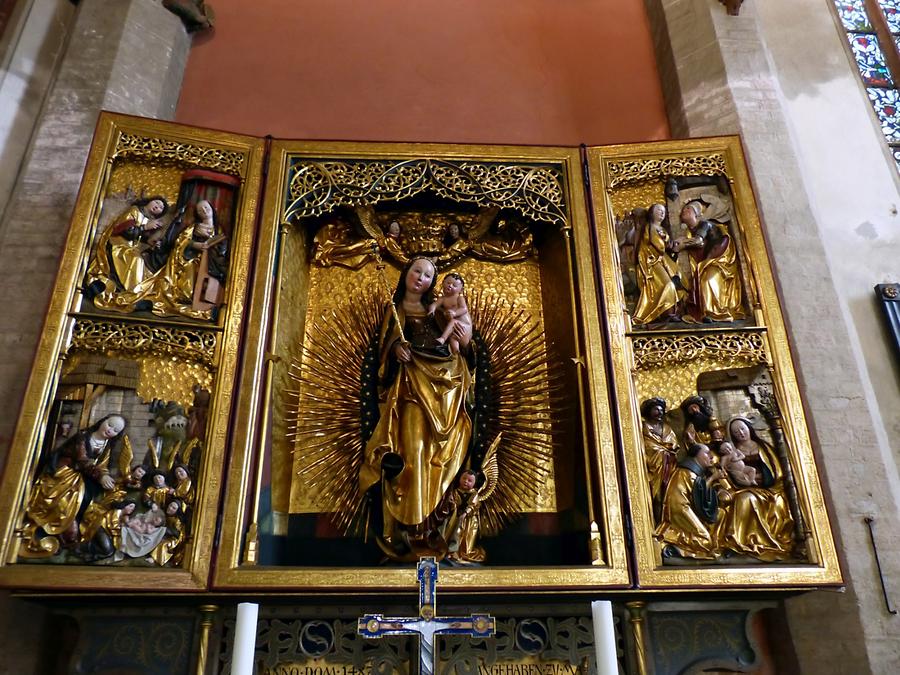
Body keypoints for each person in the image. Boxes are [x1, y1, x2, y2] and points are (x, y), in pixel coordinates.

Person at [358, 257, 475, 560]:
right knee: (414, 452)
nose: (421, 278)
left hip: (446, 385)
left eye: (427, 275)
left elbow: (462, 342)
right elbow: (381, 354)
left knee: (443, 451)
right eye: (417, 271)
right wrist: (395, 349)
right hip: (411, 388)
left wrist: (464, 342)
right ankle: (410, 530)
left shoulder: (437, 310)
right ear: (406, 274)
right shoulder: (394, 312)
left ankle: (438, 530)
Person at [25, 415, 127, 549]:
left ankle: (83, 529)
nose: (110, 430)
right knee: (69, 497)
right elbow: (82, 460)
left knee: (96, 495)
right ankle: (55, 530)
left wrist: (105, 476)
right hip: (65, 471)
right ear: (103, 421)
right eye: (110, 424)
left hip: (85, 474)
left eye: (115, 430)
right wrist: (100, 476)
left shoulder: (106, 445)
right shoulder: (83, 437)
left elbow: (102, 465)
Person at [715, 416, 794, 561]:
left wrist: (763, 478)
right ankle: (736, 543)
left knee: (771, 501)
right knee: (744, 499)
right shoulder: (732, 451)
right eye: (736, 432)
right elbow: (726, 472)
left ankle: (762, 542)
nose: (741, 433)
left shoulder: (763, 447)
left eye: (742, 429)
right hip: (742, 488)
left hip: (770, 488)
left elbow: (777, 470)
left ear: (748, 429)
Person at [86, 197, 169, 313]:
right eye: (157, 202)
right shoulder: (134, 211)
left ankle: (138, 295)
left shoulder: (145, 218)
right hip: (117, 245)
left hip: (129, 248)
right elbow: (126, 231)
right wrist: (145, 227)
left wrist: (152, 242)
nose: (158, 207)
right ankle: (132, 295)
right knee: (137, 260)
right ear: (148, 201)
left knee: (147, 271)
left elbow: (139, 236)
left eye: (161, 208)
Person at [152, 199, 228, 320]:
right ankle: (186, 297)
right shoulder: (195, 227)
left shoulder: (218, 229)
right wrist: (196, 245)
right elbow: (181, 241)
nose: (204, 211)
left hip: (212, 260)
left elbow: (223, 246)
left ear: (213, 209)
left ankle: (207, 302)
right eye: (200, 210)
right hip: (193, 257)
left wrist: (215, 246)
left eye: (206, 208)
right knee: (191, 266)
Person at [672, 202, 743, 323]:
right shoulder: (690, 232)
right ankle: (706, 312)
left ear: (697, 214)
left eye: (688, 209)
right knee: (700, 280)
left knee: (707, 280)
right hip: (708, 261)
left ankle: (716, 312)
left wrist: (682, 245)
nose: (684, 211)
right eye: (683, 210)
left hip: (719, 258)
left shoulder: (705, 224)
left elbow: (699, 241)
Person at [655, 443, 722, 560]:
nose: (710, 456)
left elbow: (699, 494)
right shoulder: (687, 473)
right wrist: (713, 478)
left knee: (720, 517)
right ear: (695, 455)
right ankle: (669, 540)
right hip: (680, 509)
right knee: (705, 541)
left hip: (687, 507)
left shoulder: (692, 472)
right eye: (706, 453)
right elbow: (698, 496)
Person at [632, 204, 681, 325]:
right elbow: (659, 246)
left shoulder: (662, 229)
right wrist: (667, 245)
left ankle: (670, 311)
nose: (662, 213)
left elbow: (667, 246)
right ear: (652, 213)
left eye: (663, 211)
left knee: (678, 282)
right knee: (667, 284)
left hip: (663, 261)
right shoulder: (650, 227)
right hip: (652, 262)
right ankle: (665, 311)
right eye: (659, 210)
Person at [639, 397, 679, 510]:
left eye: (661, 410)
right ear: (649, 411)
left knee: (668, 493)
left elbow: (674, 444)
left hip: (668, 465)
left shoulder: (666, 428)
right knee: (656, 496)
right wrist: (659, 450)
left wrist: (667, 449)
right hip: (652, 466)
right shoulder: (643, 427)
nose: (659, 412)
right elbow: (646, 445)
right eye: (656, 410)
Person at [428, 273, 471, 354]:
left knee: (453, 322)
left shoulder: (459, 298)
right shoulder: (443, 299)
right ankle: (455, 352)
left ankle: (442, 339)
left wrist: (454, 313)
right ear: (443, 283)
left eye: (454, 285)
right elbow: (434, 305)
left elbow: (464, 309)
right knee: (452, 337)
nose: (450, 286)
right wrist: (432, 310)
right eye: (448, 283)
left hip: (465, 326)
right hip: (453, 328)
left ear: (461, 290)